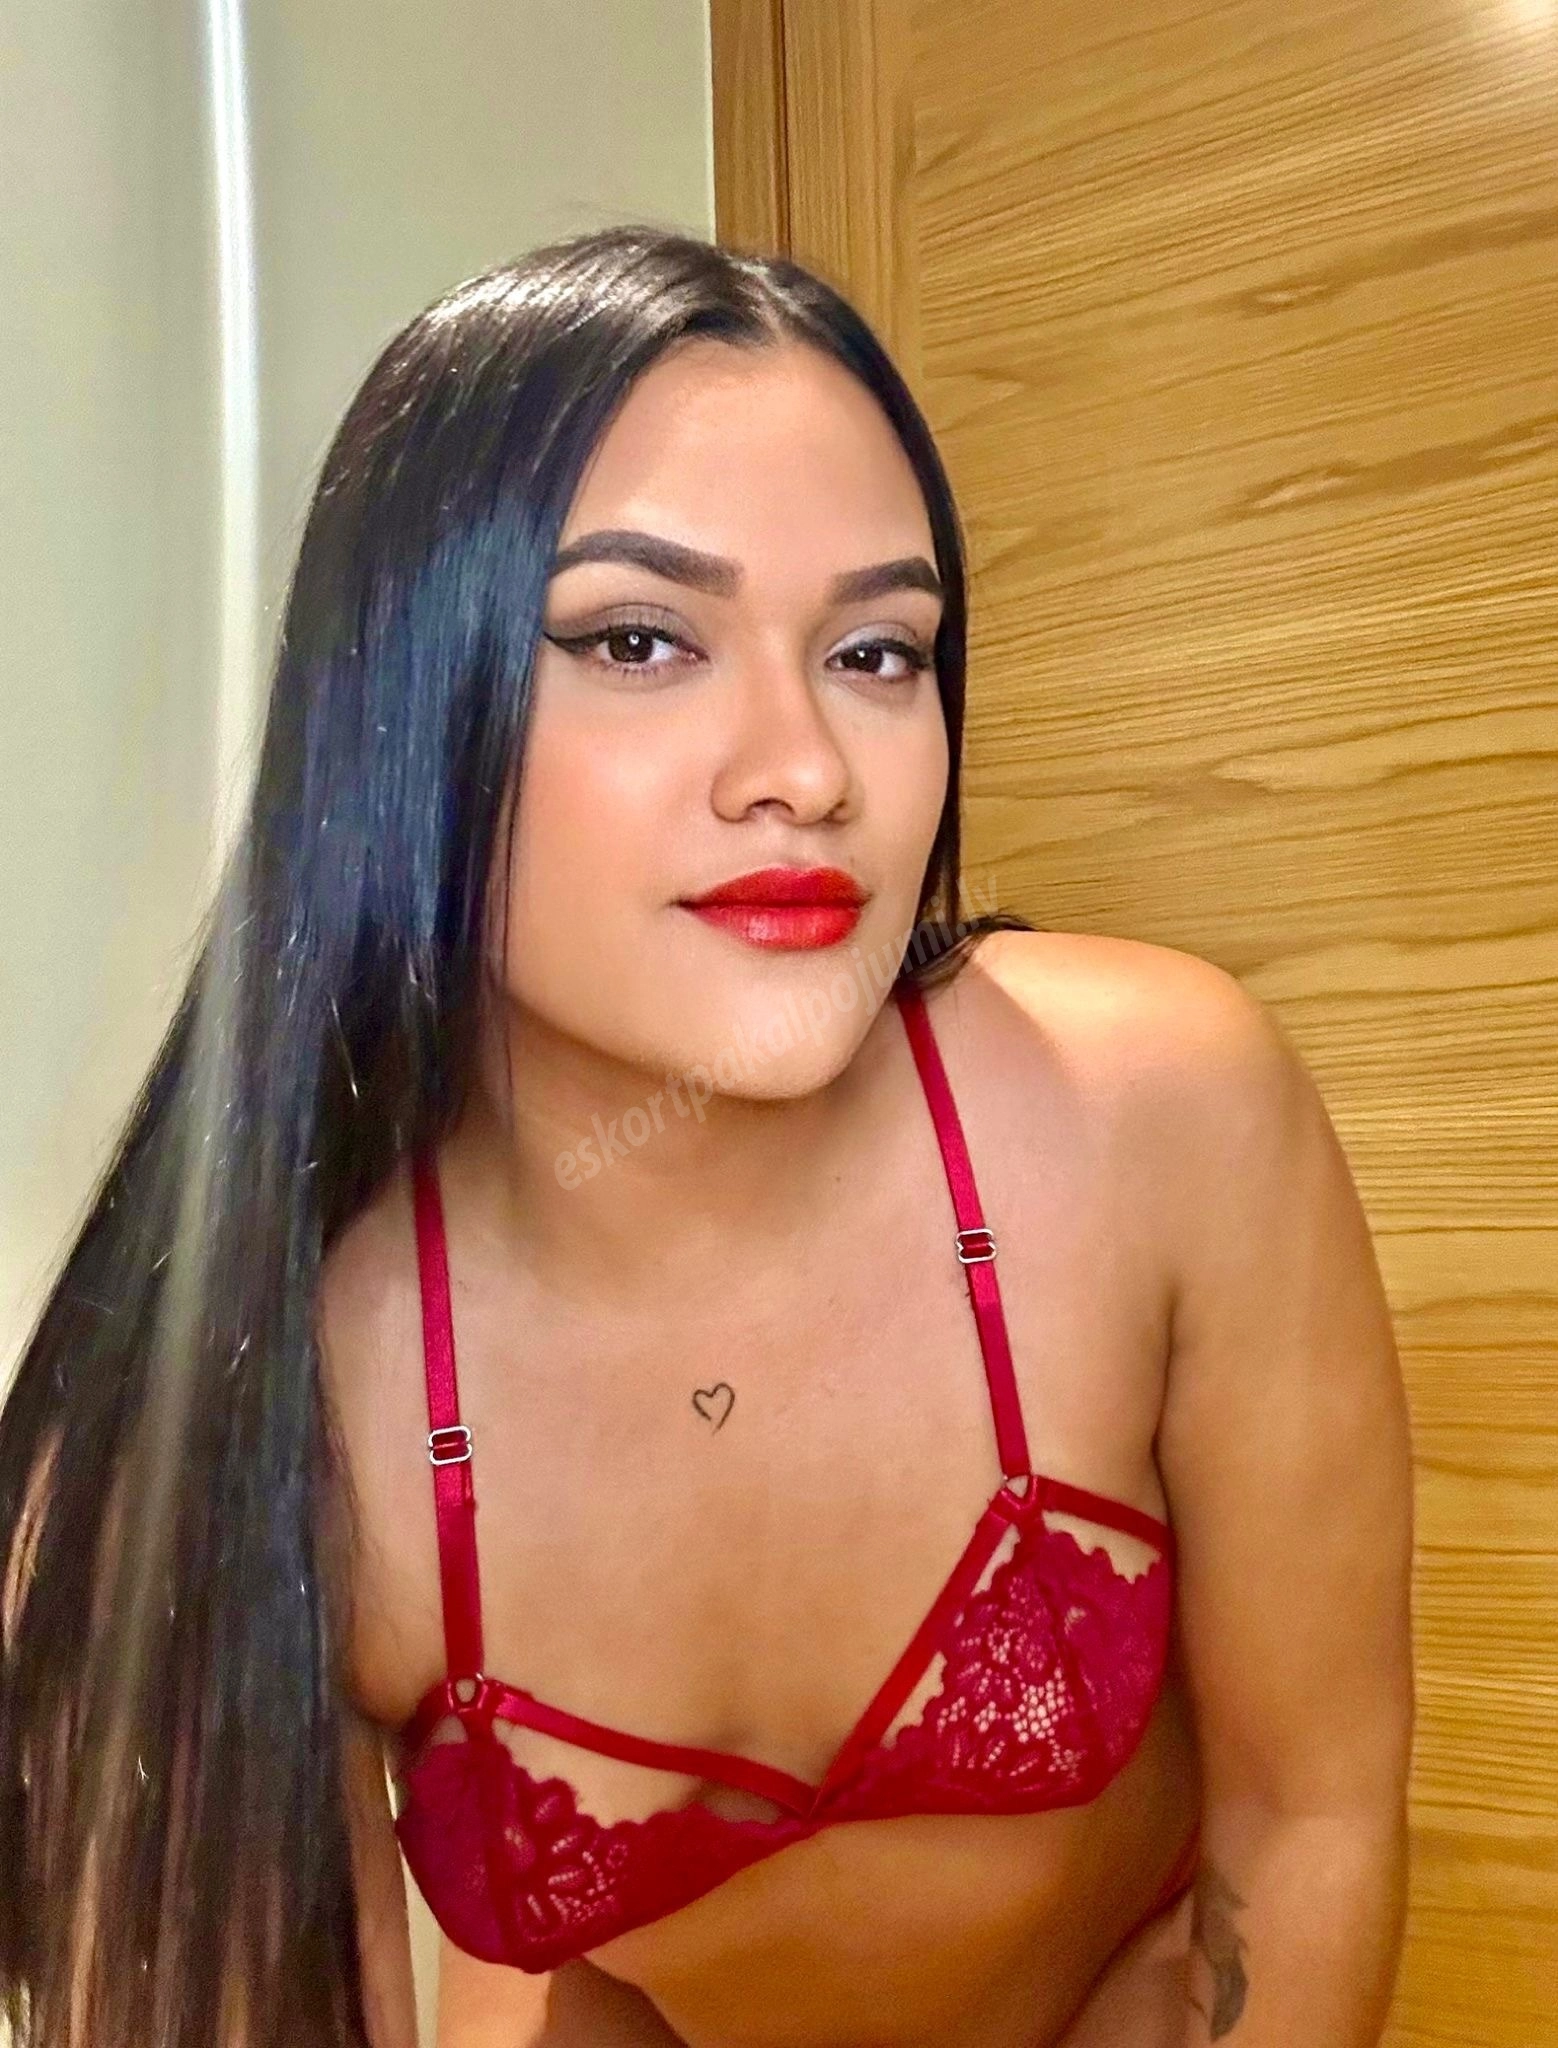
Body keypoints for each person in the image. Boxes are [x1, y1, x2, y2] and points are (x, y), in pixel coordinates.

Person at [0, 225, 1414, 2048]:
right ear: (403, 702)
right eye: (639, 639)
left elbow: (1309, 1822)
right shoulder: (253, 1415)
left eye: (878, 651)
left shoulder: (1153, 1112)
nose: (805, 768)